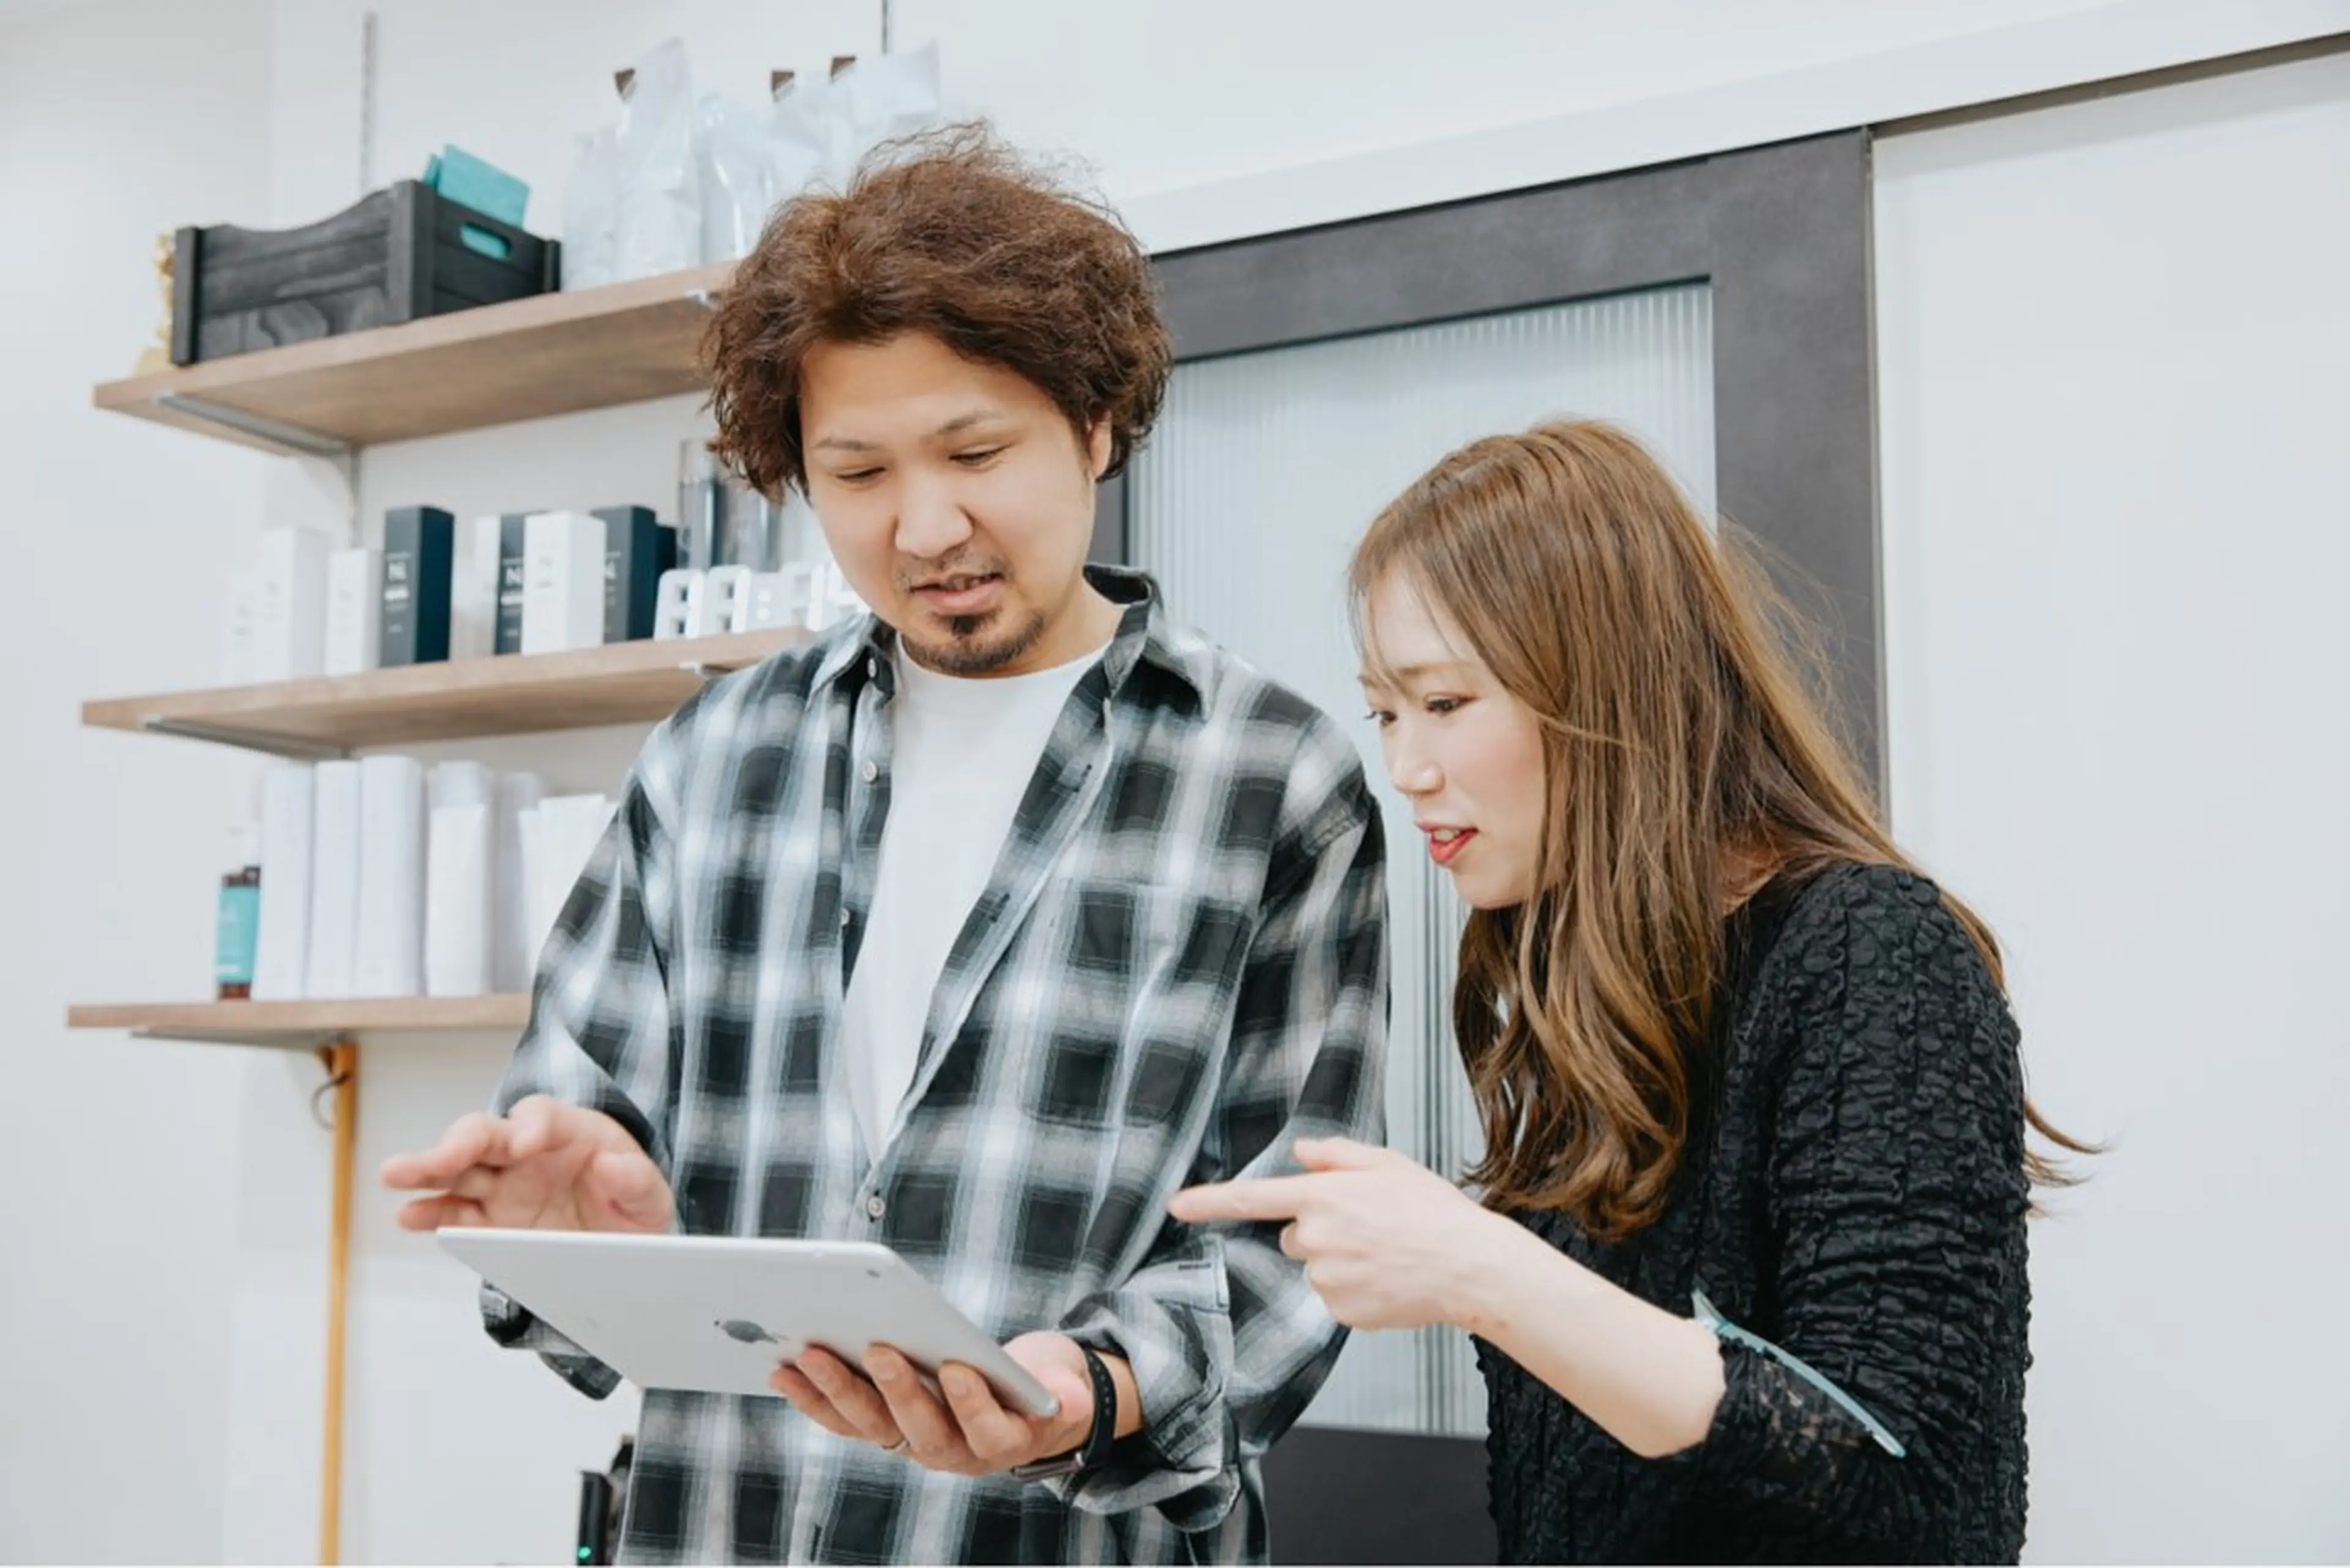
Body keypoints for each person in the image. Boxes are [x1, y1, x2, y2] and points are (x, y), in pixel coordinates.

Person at [381, 127, 1388, 1565]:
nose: (927, 526)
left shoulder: (1270, 780)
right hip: (721, 1523)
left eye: (978, 451)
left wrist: (1092, 1390)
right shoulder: (716, 757)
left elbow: (1301, 1236)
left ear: (1097, 424)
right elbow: (586, 1144)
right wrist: (589, 1230)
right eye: (856, 474)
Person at [1174, 420, 2091, 1563]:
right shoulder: (1582, 997)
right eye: (1386, 711)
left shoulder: (1871, 951)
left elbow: (1892, 1478)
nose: (1406, 767)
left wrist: (1479, 1267)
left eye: (1447, 702)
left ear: (1603, 686)